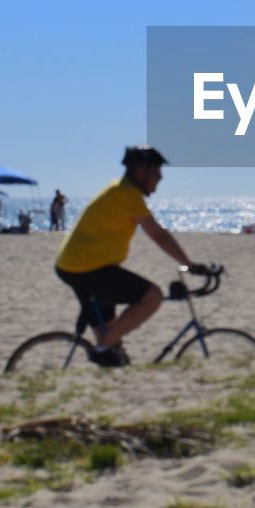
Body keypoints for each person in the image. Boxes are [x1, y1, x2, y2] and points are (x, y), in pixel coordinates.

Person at [55, 147, 207, 366]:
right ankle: (102, 349)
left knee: (110, 339)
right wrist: (189, 264)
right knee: (152, 297)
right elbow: (158, 234)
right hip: (87, 268)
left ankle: (108, 359)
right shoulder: (127, 195)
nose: (160, 178)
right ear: (141, 171)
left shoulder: (119, 189)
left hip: (76, 265)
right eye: (156, 173)